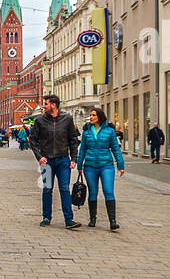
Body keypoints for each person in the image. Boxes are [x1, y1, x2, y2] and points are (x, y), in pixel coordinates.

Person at [29, 94, 81, 229]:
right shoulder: (40, 120)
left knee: (64, 189)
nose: (43, 106)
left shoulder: (67, 119)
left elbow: (73, 140)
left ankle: (69, 219)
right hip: (47, 161)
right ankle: (46, 217)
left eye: (45, 104)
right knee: (47, 189)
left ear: (53, 105)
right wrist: (39, 156)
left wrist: (74, 158)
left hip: (63, 160)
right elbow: (33, 140)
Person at [77, 106, 125, 230]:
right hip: (90, 166)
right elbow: (82, 149)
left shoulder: (109, 131)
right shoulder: (87, 131)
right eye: (90, 115)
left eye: (93, 115)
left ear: (99, 116)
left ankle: (113, 221)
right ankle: (93, 219)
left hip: (106, 165)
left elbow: (115, 149)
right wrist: (79, 165)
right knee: (93, 193)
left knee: (108, 191)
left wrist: (120, 165)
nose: (91, 117)